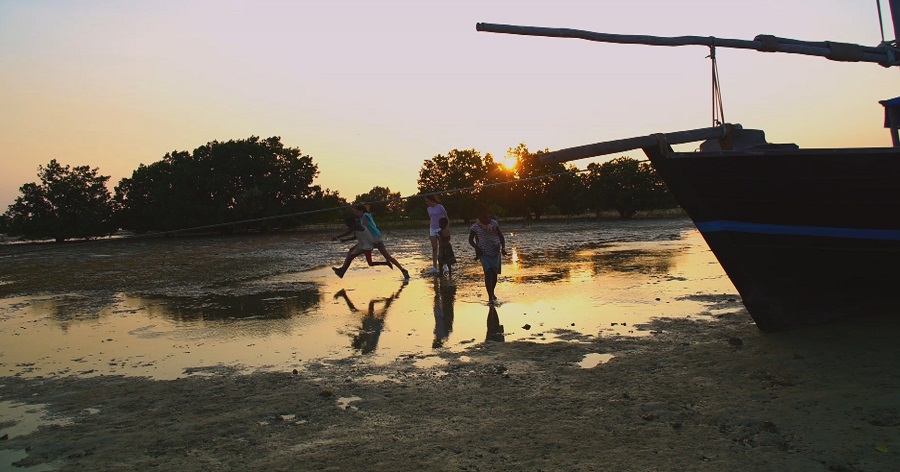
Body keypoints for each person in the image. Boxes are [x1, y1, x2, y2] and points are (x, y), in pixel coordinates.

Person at [352, 204, 410, 279]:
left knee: (387, 256)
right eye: (355, 212)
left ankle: (403, 270)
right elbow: (355, 212)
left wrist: (356, 227)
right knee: (353, 252)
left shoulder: (366, 215)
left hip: (376, 238)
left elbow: (364, 225)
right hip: (369, 240)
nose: (356, 214)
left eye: (357, 212)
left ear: (361, 211)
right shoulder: (362, 216)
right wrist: (350, 208)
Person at [468, 207, 506, 305]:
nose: (485, 219)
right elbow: (470, 240)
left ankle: (492, 292)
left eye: (486, 216)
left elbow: (501, 236)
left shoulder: (494, 224)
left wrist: (504, 248)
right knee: (488, 273)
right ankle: (490, 297)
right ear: (479, 217)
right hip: (483, 253)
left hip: (495, 252)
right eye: (482, 217)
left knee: (494, 275)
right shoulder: (475, 227)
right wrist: (476, 247)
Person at [425, 195, 448, 274]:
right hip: (432, 228)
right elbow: (431, 219)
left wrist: (446, 228)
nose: (427, 203)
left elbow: (446, 217)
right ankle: (434, 267)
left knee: (442, 247)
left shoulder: (440, 207)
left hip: (440, 228)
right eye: (426, 202)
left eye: (428, 201)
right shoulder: (428, 209)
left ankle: (445, 266)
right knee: (434, 248)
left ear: (432, 200)